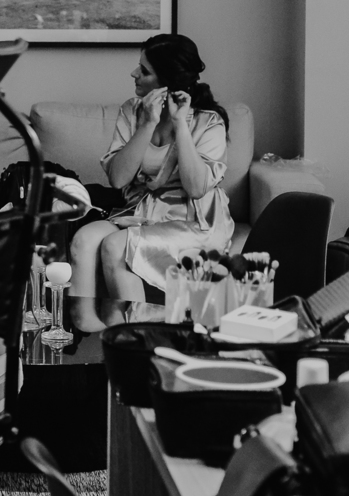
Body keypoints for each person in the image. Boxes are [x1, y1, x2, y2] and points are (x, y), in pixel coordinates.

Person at [69, 34, 234, 300]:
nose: (134, 73)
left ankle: (134, 325)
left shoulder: (208, 121)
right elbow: (118, 179)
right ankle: (84, 321)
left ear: (168, 82)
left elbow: (196, 188)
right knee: (84, 240)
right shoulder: (132, 111)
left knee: (115, 245)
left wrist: (180, 124)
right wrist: (147, 123)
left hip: (191, 220)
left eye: (144, 71)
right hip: (141, 213)